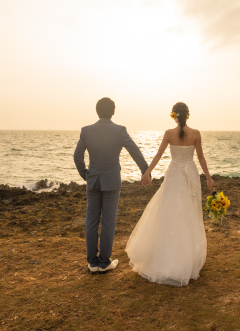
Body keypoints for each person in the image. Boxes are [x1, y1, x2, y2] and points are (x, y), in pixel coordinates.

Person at [126, 101, 214, 286]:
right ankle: (187, 259)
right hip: (190, 173)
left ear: (174, 116)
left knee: (169, 211)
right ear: (187, 115)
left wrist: (147, 172)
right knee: (189, 212)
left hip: (174, 174)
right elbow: (200, 157)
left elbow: (158, 155)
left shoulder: (168, 133)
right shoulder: (196, 133)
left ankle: (168, 258)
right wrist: (208, 178)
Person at [73, 97, 149, 273]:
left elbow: (77, 156)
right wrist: (145, 172)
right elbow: (135, 152)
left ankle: (93, 263)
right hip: (112, 182)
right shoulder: (120, 130)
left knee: (91, 221)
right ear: (113, 112)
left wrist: (86, 175)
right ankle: (104, 262)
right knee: (108, 222)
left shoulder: (86, 131)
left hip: (93, 181)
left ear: (97, 111)